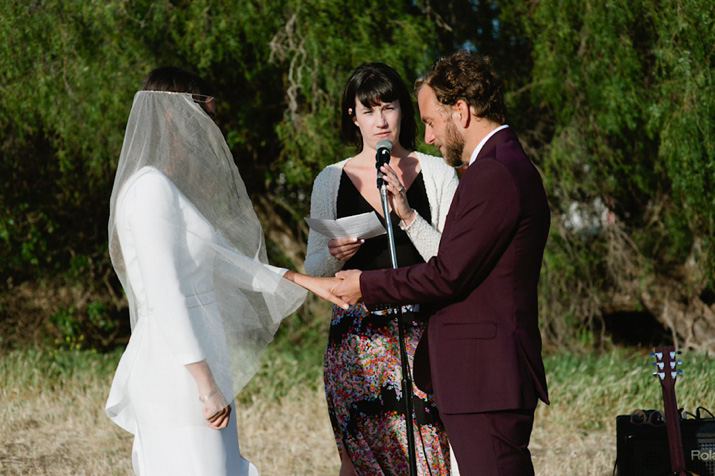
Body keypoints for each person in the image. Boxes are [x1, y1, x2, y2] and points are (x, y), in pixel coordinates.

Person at [105, 66, 346, 476]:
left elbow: (229, 262)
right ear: (173, 116)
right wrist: (205, 385)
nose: (214, 130)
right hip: (177, 376)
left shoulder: (166, 187)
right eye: (209, 116)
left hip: (195, 368)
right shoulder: (149, 190)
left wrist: (312, 284)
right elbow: (166, 296)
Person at [333, 51, 551, 475]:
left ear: (462, 111)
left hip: (484, 378)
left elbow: (447, 273)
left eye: (432, 121)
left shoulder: (494, 173)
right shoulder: (501, 165)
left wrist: (367, 285)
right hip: (481, 378)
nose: (429, 136)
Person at [305, 62, 459, 475]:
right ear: (351, 116)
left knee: (428, 460)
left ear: (402, 111)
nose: (380, 121)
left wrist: (408, 214)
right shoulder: (329, 179)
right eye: (368, 110)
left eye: (388, 108)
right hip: (357, 346)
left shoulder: (438, 173)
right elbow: (313, 269)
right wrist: (334, 256)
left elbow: (454, 261)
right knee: (363, 464)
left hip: (423, 341)